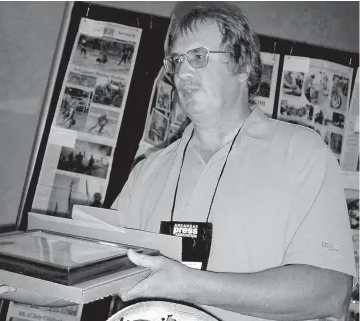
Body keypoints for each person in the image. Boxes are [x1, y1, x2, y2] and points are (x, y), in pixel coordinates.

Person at [111, 3, 356, 321]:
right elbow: (101, 268)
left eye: (198, 57)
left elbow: (331, 293)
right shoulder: (146, 171)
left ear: (242, 67)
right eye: (176, 61)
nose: (183, 72)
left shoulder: (302, 153)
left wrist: (192, 286)